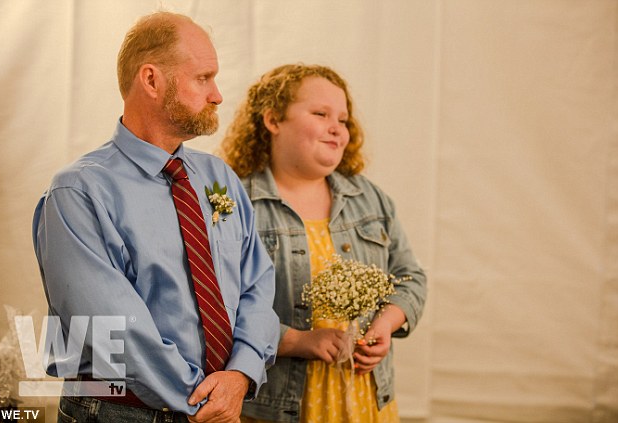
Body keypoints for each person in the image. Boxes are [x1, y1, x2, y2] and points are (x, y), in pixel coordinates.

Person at [32, 12, 279, 423]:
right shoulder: (78, 192)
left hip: (220, 404)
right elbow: (112, 325)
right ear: (151, 80)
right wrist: (208, 401)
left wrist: (241, 373)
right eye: (203, 78)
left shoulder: (219, 177)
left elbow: (257, 283)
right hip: (119, 412)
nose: (217, 95)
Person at [220, 64, 427, 422]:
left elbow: (410, 276)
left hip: (368, 405)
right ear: (273, 120)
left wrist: (385, 324)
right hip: (279, 409)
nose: (337, 129)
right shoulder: (237, 205)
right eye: (321, 114)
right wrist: (298, 341)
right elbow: (220, 310)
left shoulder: (369, 198)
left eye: (343, 120)